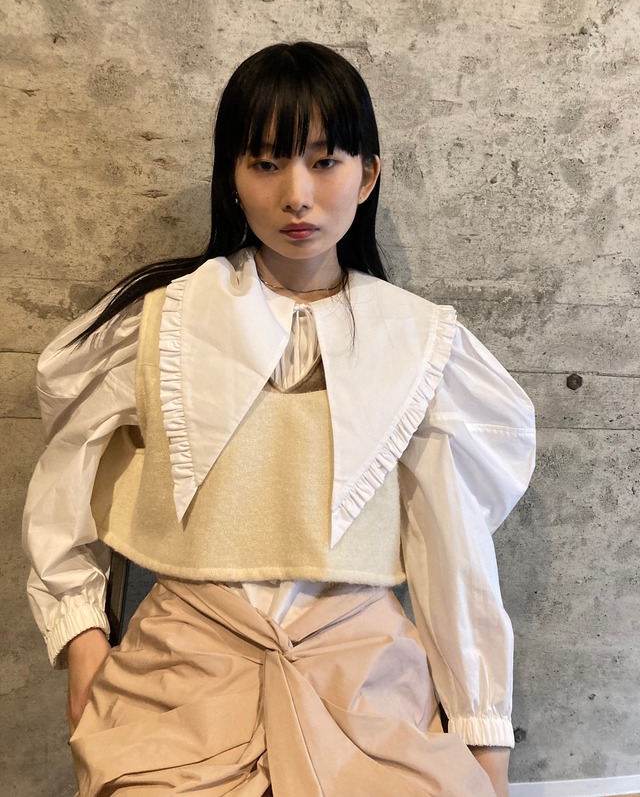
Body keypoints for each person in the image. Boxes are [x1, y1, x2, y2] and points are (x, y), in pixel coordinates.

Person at [23, 41, 535, 797]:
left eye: (325, 162)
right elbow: (64, 482)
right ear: (231, 178)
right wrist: (82, 638)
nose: (297, 195)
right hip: (178, 670)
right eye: (265, 163)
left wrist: (483, 731)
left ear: (368, 174)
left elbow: (453, 553)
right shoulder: (158, 324)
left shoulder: (419, 343)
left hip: (365, 670)